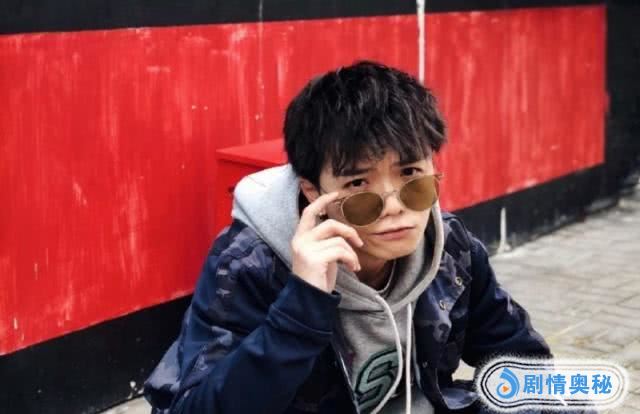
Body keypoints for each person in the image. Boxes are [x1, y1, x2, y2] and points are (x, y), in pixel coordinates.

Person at [143, 61, 565, 413]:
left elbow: (523, 363)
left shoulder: (450, 247)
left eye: (411, 175)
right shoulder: (250, 265)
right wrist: (300, 308)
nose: (395, 206)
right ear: (314, 192)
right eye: (359, 184)